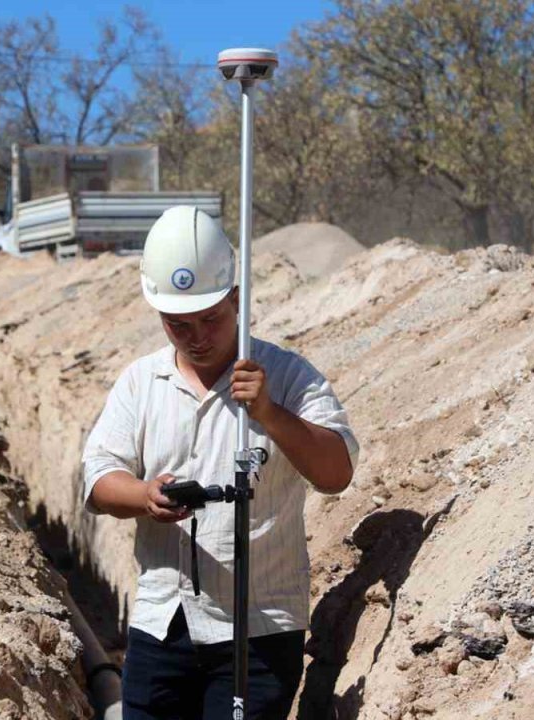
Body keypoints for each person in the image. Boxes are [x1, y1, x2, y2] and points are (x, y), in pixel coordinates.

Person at [82, 206, 359, 719]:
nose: (197, 336)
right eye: (178, 324)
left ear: (236, 299)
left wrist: (270, 414)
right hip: (162, 622)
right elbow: (98, 479)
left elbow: (336, 473)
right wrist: (145, 496)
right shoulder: (141, 383)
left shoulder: (288, 376)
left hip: (258, 631)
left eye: (210, 318)